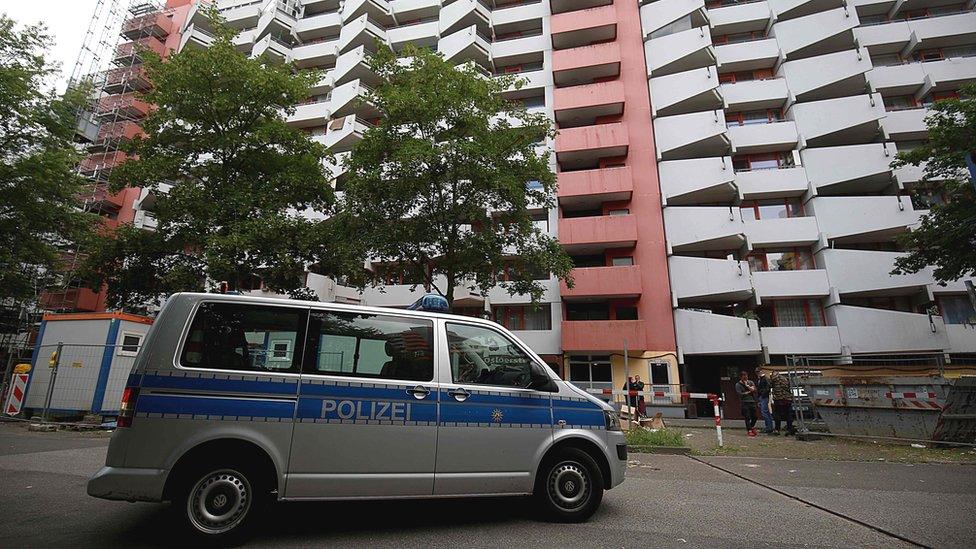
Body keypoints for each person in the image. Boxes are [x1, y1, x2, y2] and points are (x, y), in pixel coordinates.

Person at [770, 370, 796, 435]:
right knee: (788, 414)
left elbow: (771, 386)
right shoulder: (785, 379)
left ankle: (777, 430)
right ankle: (789, 429)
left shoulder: (774, 380)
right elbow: (789, 387)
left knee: (777, 414)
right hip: (787, 399)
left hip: (779, 399)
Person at [734, 370, 759, 437]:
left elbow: (754, 390)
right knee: (747, 417)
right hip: (744, 402)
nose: (745, 378)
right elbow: (740, 394)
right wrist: (748, 392)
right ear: (741, 377)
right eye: (744, 376)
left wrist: (747, 386)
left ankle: (751, 426)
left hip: (752, 401)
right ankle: (749, 430)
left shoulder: (750, 382)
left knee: (755, 417)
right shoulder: (738, 385)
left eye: (746, 376)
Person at [756, 368, 774, 434]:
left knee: (765, 412)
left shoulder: (765, 379)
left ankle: (769, 427)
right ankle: (769, 427)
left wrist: (763, 394)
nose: (757, 373)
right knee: (765, 412)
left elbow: (768, 388)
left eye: (758, 372)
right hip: (762, 396)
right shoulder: (760, 379)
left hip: (764, 397)